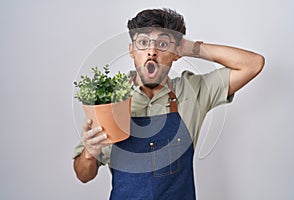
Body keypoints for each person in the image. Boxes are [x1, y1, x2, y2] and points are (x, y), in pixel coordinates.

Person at [72, 8, 265, 199]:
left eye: (162, 44)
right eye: (143, 43)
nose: (152, 52)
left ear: (176, 53)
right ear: (131, 51)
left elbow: (253, 64)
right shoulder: (110, 99)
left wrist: (190, 48)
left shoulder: (192, 90)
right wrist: (90, 152)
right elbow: (83, 175)